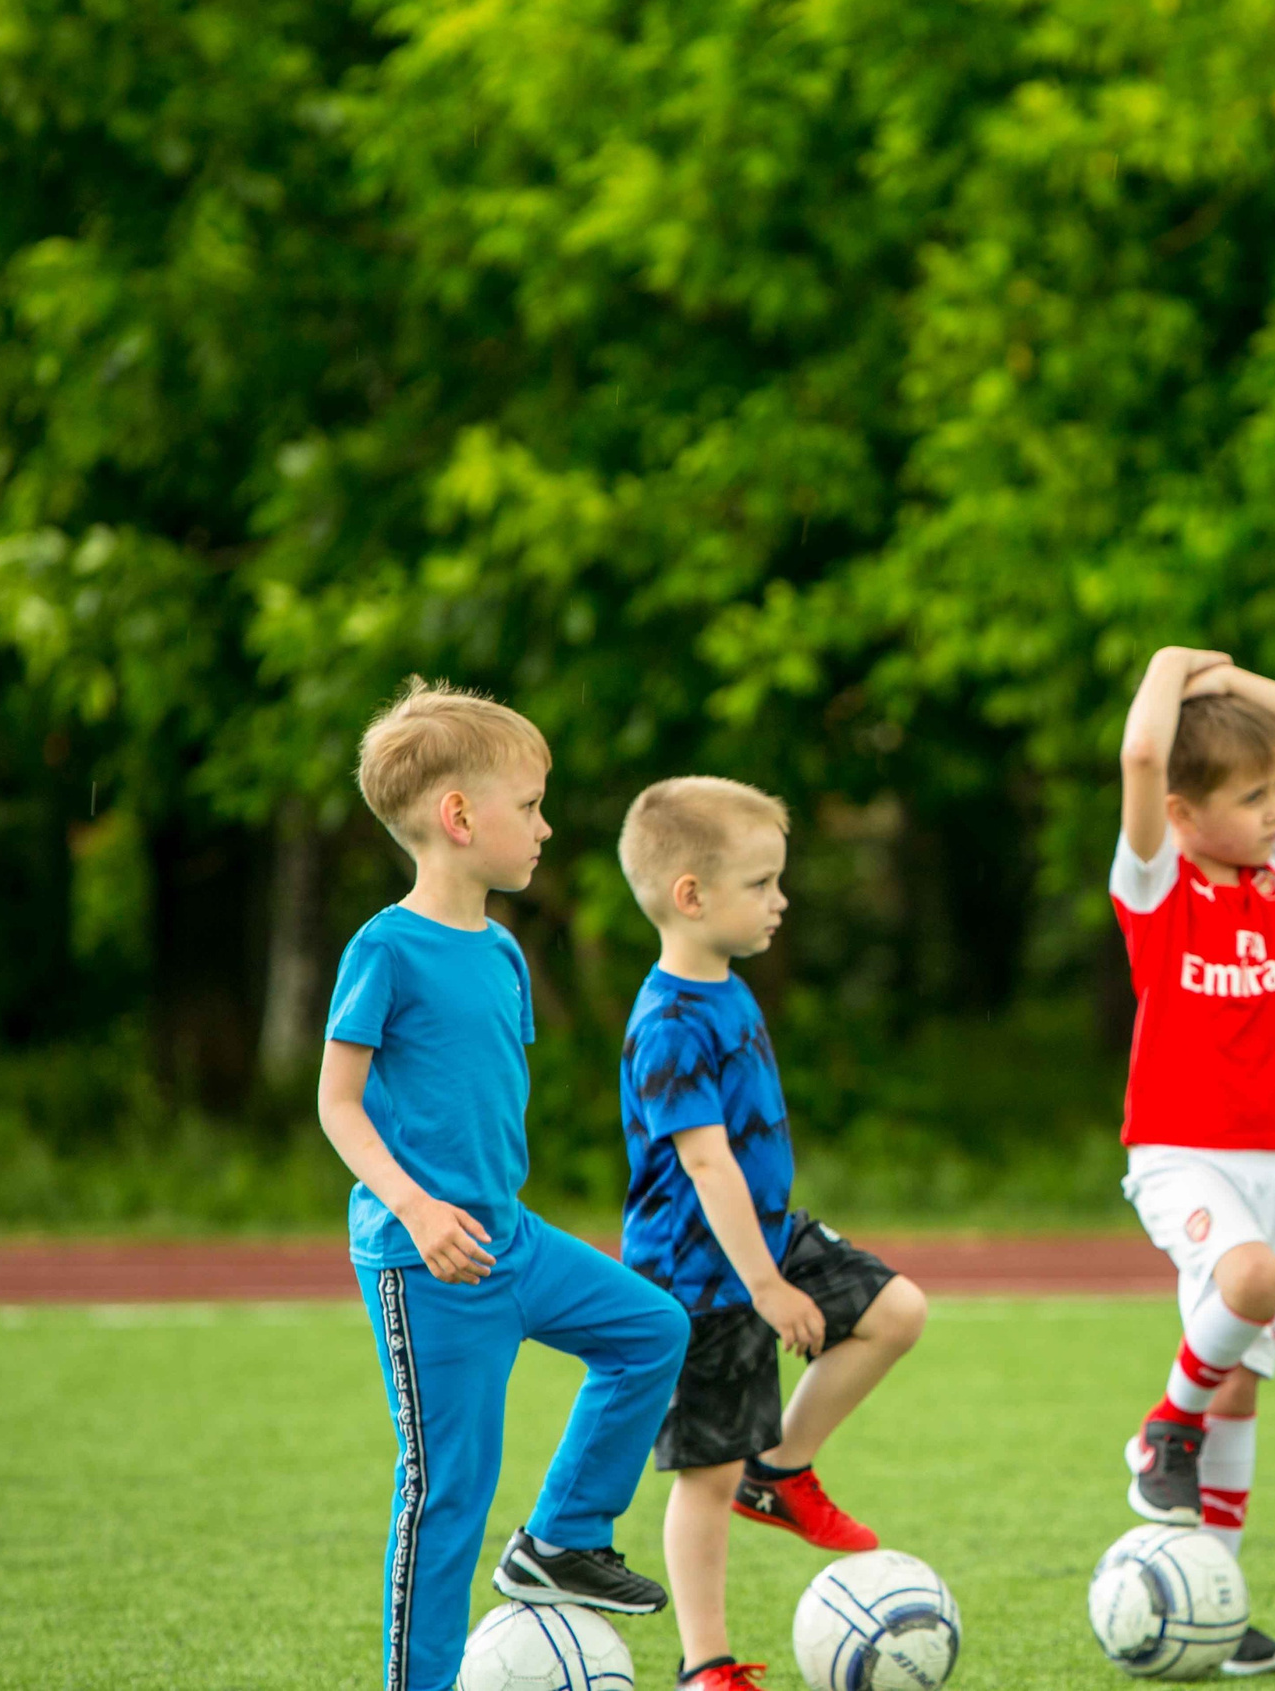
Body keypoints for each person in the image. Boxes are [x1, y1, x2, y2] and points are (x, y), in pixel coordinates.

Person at [318, 679, 691, 1691]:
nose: (545, 827)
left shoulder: (505, 952)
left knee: (653, 1330)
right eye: (529, 807)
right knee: (446, 1492)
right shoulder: (385, 949)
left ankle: (563, 1535)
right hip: (427, 1262)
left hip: (511, 1241)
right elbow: (339, 1105)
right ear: (458, 817)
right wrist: (415, 1206)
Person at [614, 777, 928, 1691]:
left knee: (896, 1311)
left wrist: (772, 1264)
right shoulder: (667, 1022)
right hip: (699, 1275)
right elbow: (707, 1166)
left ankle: (782, 1467)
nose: (781, 900)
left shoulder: (728, 988)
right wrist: (766, 1286)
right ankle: (706, 1665)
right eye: (762, 884)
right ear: (691, 896)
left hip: (764, 1239)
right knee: (704, 1475)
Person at [1112, 645, 1275, 1677]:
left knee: (1245, 1395)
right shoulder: (1155, 883)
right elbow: (1140, 757)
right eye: (1253, 794)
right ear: (1182, 814)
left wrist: (1238, 688)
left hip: (1271, 1162)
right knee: (1246, 1285)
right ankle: (1158, 1431)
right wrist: (1174, 670)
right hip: (1179, 1151)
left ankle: (1212, 1604)